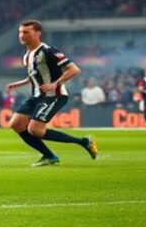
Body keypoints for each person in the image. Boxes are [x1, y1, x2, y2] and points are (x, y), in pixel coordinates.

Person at [5, 20, 98, 166]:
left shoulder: (49, 51)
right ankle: (49, 156)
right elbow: (34, 75)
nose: (22, 35)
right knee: (16, 124)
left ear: (37, 33)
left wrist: (56, 83)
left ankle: (83, 142)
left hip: (54, 95)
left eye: (26, 32)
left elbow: (74, 69)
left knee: (35, 130)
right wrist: (20, 83)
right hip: (36, 96)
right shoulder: (27, 54)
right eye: (20, 32)